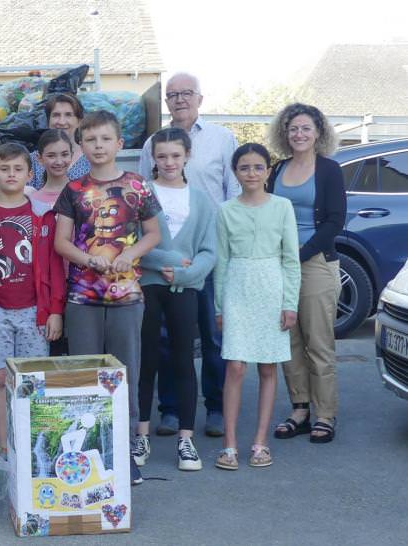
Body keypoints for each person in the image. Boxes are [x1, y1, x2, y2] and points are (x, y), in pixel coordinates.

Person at [53, 110, 161, 485]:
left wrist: (130, 255)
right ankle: (83, 452)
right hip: (82, 298)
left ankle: (125, 451)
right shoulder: (73, 191)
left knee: (124, 375)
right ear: (81, 145)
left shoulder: (138, 186)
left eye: (105, 139)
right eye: (91, 140)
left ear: (119, 144)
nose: (98, 146)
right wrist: (89, 260)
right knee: (86, 375)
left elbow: (152, 234)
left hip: (127, 297)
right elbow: (61, 242)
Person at [138, 72, 239, 438]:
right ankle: (169, 410)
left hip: (204, 255)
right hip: (160, 265)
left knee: (211, 336)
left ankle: (213, 407)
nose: (179, 99)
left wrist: (202, 260)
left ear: (200, 97)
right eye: (172, 94)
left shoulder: (221, 138)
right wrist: (161, 260)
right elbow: (141, 208)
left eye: (186, 93)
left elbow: (232, 194)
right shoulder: (153, 142)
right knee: (165, 340)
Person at [0, 143, 64, 449]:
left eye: (18, 169)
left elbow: (55, 267)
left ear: (30, 174)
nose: (11, 174)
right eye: (4, 169)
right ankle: (4, 443)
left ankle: (34, 442)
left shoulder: (43, 216)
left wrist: (55, 309)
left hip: (35, 311)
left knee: (33, 379)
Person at [133, 128, 217, 472]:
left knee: (184, 359)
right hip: (148, 286)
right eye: (162, 156)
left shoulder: (200, 199)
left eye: (175, 156)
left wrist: (185, 273)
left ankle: (186, 439)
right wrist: (166, 262)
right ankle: (141, 435)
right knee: (145, 361)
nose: (169, 162)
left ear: (187, 157)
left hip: (186, 288)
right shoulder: (141, 193)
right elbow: (133, 241)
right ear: (153, 158)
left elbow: (210, 250)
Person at [214, 143, 300, 471]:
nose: (251, 173)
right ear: (235, 173)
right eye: (244, 167)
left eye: (258, 167)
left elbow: (291, 259)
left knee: (267, 367)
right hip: (237, 285)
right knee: (235, 366)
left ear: (267, 171)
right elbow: (221, 261)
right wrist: (220, 306)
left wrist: (289, 303)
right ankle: (229, 445)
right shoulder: (226, 210)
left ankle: (260, 442)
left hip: (271, 286)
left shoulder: (282, 207)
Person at [268, 103, 345, 444]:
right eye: (293, 128)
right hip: (280, 264)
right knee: (290, 339)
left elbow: (334, 221)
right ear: (285, 133)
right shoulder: (277, 169)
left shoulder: (329, 170)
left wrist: (300, 254)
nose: (299, 134)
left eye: (305, 128)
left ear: (318, 133)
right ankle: (299, 409)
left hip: (315, 263)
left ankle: (325, 414)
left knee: (318, 341)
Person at [30, 93, 90, 189]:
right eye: (56, 115)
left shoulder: (90, 159)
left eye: (68, 115)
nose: (62, 122)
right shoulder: (33, 160)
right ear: (48, 120)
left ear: (79, 121)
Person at [31, 129, 74, 208]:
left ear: (72, 155)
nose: (59, 162)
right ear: (40, 159)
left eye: (64, 155)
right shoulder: (33, 201)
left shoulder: (83, 194)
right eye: (51, 156)